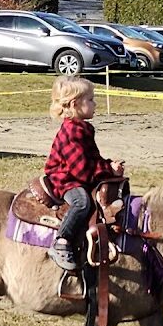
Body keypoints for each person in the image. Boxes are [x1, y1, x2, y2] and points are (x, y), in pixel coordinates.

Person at [44, 76, 124, 271]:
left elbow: (91, 159)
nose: (95, 104)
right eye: (90, 99)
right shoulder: (72, 131)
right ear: (75, 104)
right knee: (82, 202)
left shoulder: (82, 128)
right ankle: (62, 240)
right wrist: (107, 170)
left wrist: (107, 165)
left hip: (75, 175)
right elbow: (81, 171)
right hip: (64, 178)